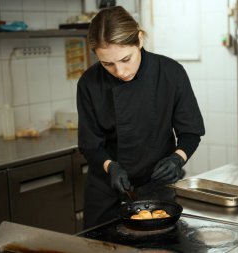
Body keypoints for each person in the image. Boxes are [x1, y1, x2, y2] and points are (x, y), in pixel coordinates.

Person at [77, 5, 205, 229]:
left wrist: (178, 158)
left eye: (126, 59)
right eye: (108, 64)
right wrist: (110, 167)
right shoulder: (89, 82)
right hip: (105, 187)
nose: (120, 71)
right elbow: (90, 144)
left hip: (156, 185)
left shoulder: (170, 73)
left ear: (139, 40)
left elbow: (190, 132)